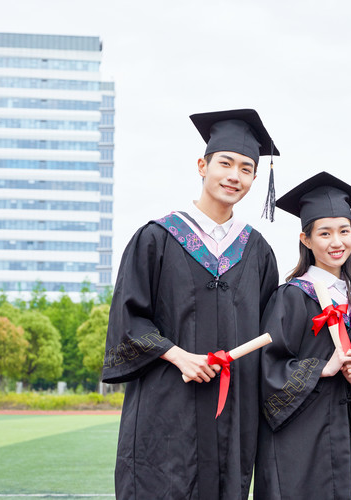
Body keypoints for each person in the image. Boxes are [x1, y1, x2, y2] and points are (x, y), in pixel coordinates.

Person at [102, 109, 280, 499]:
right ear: (203, 165)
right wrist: (178, 355)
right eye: (226, 163)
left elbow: (274, 334)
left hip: (232, 414)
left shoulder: (257, 252)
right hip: (167, 407)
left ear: (253, 179)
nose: (234, 175)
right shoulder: (157, 238)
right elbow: (128, 319)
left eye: (246, 168)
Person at [254, 172, 351, 499]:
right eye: (325, 233)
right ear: (306, 239)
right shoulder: (291, 296)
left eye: (344, 231)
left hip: (338, 435)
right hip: (295, 437)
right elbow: (267, 370)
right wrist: (321, 367)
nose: (337, 242)